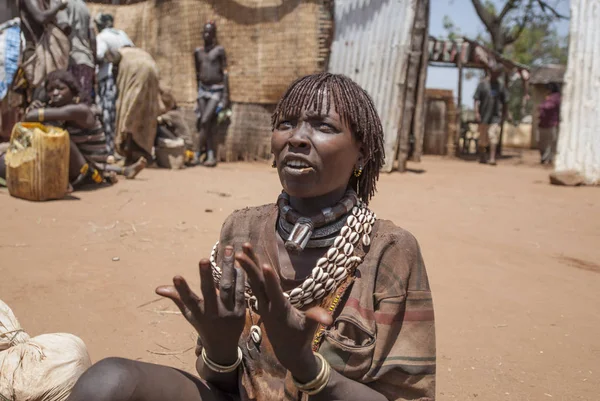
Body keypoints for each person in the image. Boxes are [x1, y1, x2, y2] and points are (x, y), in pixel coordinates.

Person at [66, 73, 436, 401]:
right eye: (287, 124)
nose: (298, 139)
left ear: (363, 152)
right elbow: (222, 382)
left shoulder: (388, 251)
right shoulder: (241, 231)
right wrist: (220, 349)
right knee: (108, 381)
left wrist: (308, 367)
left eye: (323, 127)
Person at [22, 70, 146, 188]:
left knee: (60, 138)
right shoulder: (59, 110)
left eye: (60, 89)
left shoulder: (79, 110)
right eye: (50, 90)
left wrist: (33, 110)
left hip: (88, 171)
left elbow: (30, 116)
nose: (55, 93)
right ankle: (121, 171)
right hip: (92, 164)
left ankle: (81, 180)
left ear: (72, 90)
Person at [106, 46, 159, 166]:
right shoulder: (133, 52)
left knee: (128, 116)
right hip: (152, 72)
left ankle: (128, 155)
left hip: (137, 75)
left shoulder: (121, 57)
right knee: (145, 115)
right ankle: (142, 153)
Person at [94, 12, 133, 155]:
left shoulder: (102, 37)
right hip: (124, 78)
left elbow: (99, 55)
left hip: (108, 78)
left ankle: (109, 150)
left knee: (107, 114)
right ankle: (121, 149)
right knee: (120, 113)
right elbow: (131, 50)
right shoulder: (122, 34)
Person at [17, 0, 70, 103]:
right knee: (38, 90)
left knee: (47, 89)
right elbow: (41, 18)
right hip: (33, 49)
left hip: (44, 49)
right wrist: (59, 7)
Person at [193, 21, 229, 167]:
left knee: (205, 120)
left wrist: (225, 97)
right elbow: (197, 73)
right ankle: (210, 155)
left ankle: (197, 153)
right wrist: (197, 93)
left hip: (216, 90)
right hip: (202, 91)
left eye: (210, 32)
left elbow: (225, 74)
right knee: (206, 122)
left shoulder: (220, 51)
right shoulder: (198, 52)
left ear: (214, 34)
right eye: (205, 31)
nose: (206, 34)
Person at [474, 64, 508, 165]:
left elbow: (505, 101)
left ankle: (492, 158)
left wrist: (504, 115)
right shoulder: (482, 84)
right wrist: (476, 113)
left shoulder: (501, 86)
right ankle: (483, 156)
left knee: (493, 136)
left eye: (498, 74)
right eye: (495, 73)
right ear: (491, 72)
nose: (496, 75)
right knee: (482, 140)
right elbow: (476, 99)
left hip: (495, 116)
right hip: (483, 115)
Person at [65, 0, 95, 103]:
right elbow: (92, 38)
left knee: (71, 102)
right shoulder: (84, 6)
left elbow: (63, 27)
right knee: (84, 101)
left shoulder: (62, 4)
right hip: (86, 58)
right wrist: (94, 59)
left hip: (71, 59)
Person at [156, 86, 195, 164]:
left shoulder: (172, 114)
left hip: (184, 143)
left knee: (158, 129)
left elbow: (158, 120)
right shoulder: (177, 112)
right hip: (188, 143)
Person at [538, 82, 561, 165]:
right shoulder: (547, 98)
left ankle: (548, 159)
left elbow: (548, 107)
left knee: (550, 143)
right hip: (543, 123)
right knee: (542, 142)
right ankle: (544, 158)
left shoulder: (557, 97)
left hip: (552, 124)